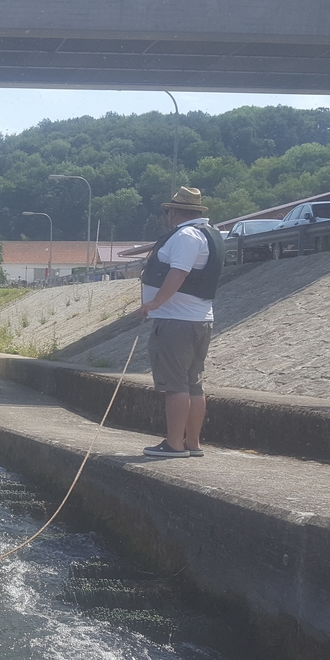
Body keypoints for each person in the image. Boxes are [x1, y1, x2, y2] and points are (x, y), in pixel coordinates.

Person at [138, 187, 225, 458]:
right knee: (193, 384)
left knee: (175, 385)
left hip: (177, 321)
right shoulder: (210, 234)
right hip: (199, 319)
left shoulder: (186, 236)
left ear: (174, 212)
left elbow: (179, 272)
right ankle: (192, 443)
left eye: (168, 212)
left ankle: (175, 443)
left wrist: (155, 302)